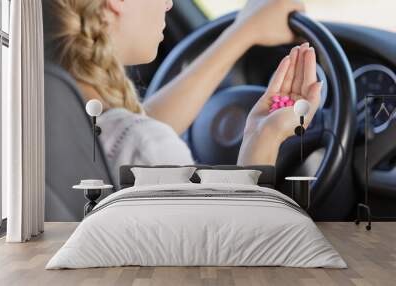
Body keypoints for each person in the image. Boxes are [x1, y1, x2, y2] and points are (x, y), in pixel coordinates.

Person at [48, 0, 322, 181]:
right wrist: (264, 137)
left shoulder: (44, 111)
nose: (168, 3)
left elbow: (139, 130)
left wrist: (245, 31)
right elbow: (231, 259)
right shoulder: (147, 148)